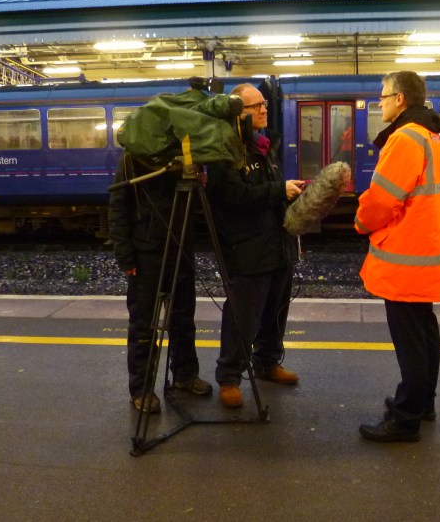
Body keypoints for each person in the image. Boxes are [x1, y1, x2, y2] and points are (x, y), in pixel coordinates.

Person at [354, 71, 440, 443]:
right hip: (429, 251)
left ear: (400, 99)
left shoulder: (404, 138)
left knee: (410, 340)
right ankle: (422, 402)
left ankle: (406, 418)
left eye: (383, 96)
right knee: (424, 332)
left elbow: (382, 198)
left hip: (406, 257)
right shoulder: (436, 135)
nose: (379, 103)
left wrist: (361, 221)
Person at [205, 83, 304, 408]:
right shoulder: (225, 151)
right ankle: (229, 377)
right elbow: (230, 197)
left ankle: (267, 362)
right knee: (243, 317)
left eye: (264, 104)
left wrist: (289, 193)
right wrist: (279, 190)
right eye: (256, 106)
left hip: (277, 245)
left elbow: (268, 191)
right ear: (238, 113)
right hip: (247, 248)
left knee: (275, 310)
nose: (264, 109)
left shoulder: (263, 146)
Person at [108, 151, 213, 414]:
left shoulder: (185, 151)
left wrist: (201, 185)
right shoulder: (132, 157)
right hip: (146, 252)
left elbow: (196, 206)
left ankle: (184, 375)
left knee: (183, 317)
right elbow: (119, 205)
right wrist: (124, 254)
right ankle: (141, 389)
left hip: (181, 245)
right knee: (144, 325)